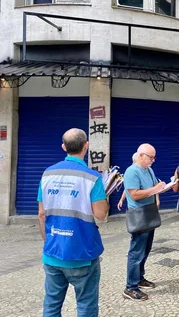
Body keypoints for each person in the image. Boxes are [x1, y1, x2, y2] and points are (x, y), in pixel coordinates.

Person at [37, 128, 108, 317]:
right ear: (86, 146)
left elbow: (41, 215)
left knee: (51, 305)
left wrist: (49, 241)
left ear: (63, 147)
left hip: (52, 252)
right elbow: (101, 214)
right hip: (82, 254)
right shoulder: (92, 177)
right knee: (86, 305)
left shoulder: (47, 174)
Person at [123, 143, 172, 301]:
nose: (153, 160)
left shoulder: (148, 170)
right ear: (141, 155)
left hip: (149, 213)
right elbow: (135, 194)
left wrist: (166, 186)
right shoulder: (131, 171)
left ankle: (139, 277)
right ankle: (130, 287)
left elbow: (154, 188)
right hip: (139, 215)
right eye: (151, 157)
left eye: (154, 157)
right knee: (136, 251)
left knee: (145, 249)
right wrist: (155, 188)